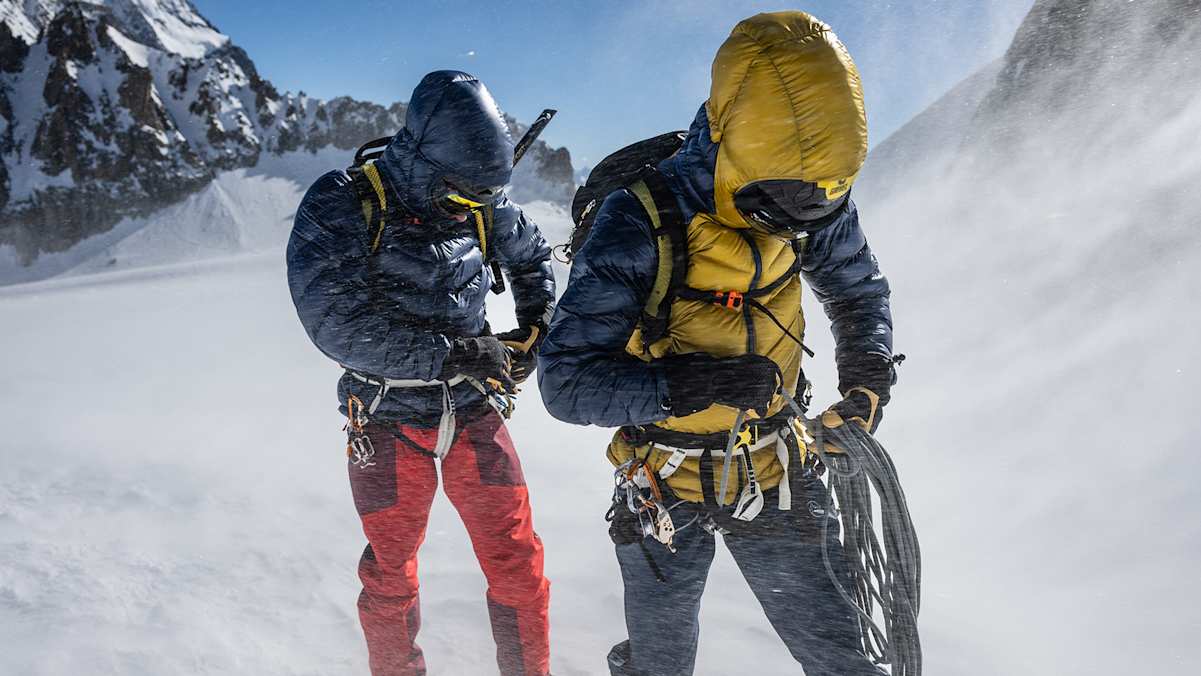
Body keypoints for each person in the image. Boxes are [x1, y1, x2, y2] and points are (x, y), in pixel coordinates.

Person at [538, 12, 895, 676]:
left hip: (777, 466)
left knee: (842, 659)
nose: (800, 224)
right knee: (660, 663)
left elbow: (854, 289)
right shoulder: (638, 218)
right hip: (663, 482)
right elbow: (566, 384)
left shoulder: (810, 195)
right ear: (738, 151)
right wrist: (691, 385)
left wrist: (867, 370)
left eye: (820, 203)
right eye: (783, 203)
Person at [286, 70, 555, 676]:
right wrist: (455, 354)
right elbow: (335, 325)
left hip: (473, 409)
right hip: (384, 419)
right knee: (391, 568)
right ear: (423, 164)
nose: (470, 212)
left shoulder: (478, 198)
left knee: (516, 561)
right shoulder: (343, 203)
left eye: (482, 200)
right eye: (460, 197)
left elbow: (533, 255)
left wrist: (536, 324)